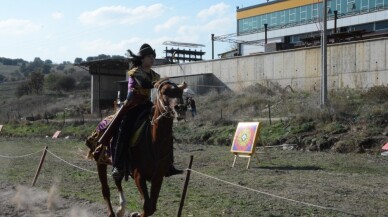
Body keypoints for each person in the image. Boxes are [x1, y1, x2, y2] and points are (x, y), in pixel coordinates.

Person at [111, 43, 183, 181]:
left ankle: (169, 164)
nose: (152, 59)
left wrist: (175, 86)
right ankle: (118, 165)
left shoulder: (154, 74)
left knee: (165, 129)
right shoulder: (135, 71)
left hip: (146, 105)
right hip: (132, 106)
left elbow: (163, 84)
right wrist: (159, 83)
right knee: (123, 131)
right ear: (142, 58)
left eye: (153, 57)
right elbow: (144, 83)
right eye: (149, 57)